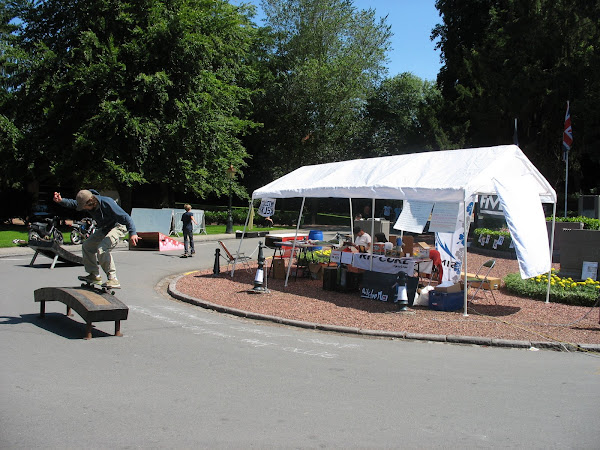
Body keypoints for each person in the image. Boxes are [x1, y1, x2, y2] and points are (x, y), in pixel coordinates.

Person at [53, 189, 139, 288]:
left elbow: (126, 217)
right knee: (87, 246)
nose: (84, 209)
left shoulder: (107, 202)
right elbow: (73, 203)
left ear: (91, 201)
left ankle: (113, 279)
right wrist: (60, 200)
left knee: (102, 248)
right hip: (105, 227)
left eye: (85, 207)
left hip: (119, 226)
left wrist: (133, 233)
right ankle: (94, 275)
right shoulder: (87, 202)